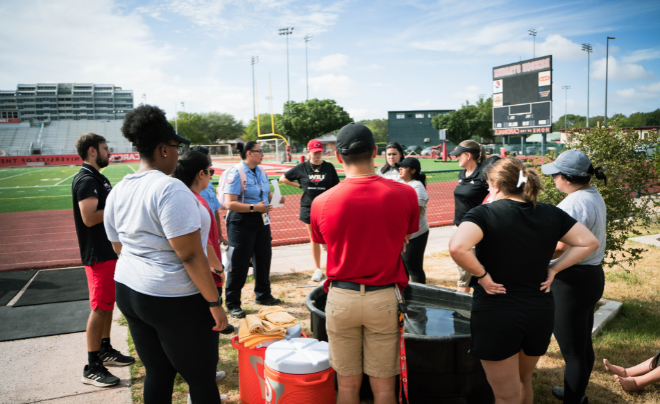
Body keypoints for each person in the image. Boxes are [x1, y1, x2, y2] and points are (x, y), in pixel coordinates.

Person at [448, 157, 600, 404]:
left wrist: (483, 276)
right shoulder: (551, 212)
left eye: (488, 184)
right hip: (539, 309)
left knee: (506, 396)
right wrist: (555, 269)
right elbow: (589, 242)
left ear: (496, 185)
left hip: (497, 311)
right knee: (523, 381)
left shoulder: (485, 213)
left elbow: (457, 247)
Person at [104, 105, 228, 404]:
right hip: (170, 296)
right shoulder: (169, 189)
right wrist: (214, 303)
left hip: (130, 288)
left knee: (158, 373)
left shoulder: (119, 189)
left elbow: (117, 245)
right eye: (175, 147)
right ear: (162, 149)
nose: (178, 154)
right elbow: (190, 255)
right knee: (200, 379)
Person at [311, 123, 419, 404]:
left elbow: (325, 243)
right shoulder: (405, 193)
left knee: (346, 387)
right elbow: (405, 238)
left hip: (341, 298)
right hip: (383, 298)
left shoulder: (321, 202)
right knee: (384, 389)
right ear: (375, 152)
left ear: (337, 156)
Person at [541, 150, 608, 404]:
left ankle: (573, 399)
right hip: (590, 276)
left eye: (555, 174)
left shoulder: (574, 202)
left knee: (573, 351)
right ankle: (576, 394)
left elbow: (560, 246)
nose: (553, 179)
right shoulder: (591, 194)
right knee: (581, 343)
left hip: (571, 280)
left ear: (566, 177)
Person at [72, 132, 135, 388]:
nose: (109, 152)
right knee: (99, 307)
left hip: (106, 251)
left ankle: (105, 349)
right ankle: (91, 366)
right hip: (97, 254)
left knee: (108, 304)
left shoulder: (98, 177)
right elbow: (89, 217)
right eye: (105, 148)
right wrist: (118, 206)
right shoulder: (86, 180)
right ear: (92, 151)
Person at [172, 150, 235, 335]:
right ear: (201, 174)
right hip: (206, 275)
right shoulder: (198, 202)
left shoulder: (181, 198)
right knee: (206, 325)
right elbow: (204, 245)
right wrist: (219, 269)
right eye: (210, 171)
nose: (211, 175)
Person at [223, 141, 284, 319]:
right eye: (260, 151)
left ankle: (263, 295)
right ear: (249, 153)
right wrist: (253, 208)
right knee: (239, 264)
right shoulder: (236, 173)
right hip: (241, 221)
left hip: (261, 220)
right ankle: (233, 303)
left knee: (263, 258)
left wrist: (276, 197)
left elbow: (266, 193)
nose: (263, 154)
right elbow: (230, 203)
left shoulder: (262, 171)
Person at [279, 139, 340, 282]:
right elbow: (283, 178)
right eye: (314, 152)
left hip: (327, 207)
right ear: (308, 152)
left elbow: (336, 186)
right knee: (314, 238)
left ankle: (334, 267)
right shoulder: (302, 167)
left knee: (329, 237)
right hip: (309, 207)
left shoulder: (329, 167)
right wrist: (299, 186)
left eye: (319, 152)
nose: (317, 155)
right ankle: (318, 269)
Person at [450, 140, 489, 293]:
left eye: (459, 155)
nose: (456, 157)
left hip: (477, 230)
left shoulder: (483, 174)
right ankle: (462, 312)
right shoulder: (462, 174)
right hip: (460, 227)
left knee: (475, 273)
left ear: (468, 155)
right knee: (464, 273)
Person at [395, 157, 429, 284]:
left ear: (413, 170)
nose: (400, 168)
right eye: (400, 166)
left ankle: (418, 301)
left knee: (414, 268)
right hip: (405, 233)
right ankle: (405, 296)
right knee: (403, 267)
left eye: (403, 167)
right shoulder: (403, 183)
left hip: (415, 233)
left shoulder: (417, 187)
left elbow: (415, 215)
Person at [189, 146, 227, 245]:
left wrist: (219, 236)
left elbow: (215, 210)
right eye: (208, 162)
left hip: (212, 236)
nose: (211, 165)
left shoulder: (208, 183)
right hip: (199, 239)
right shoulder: (185, 188)